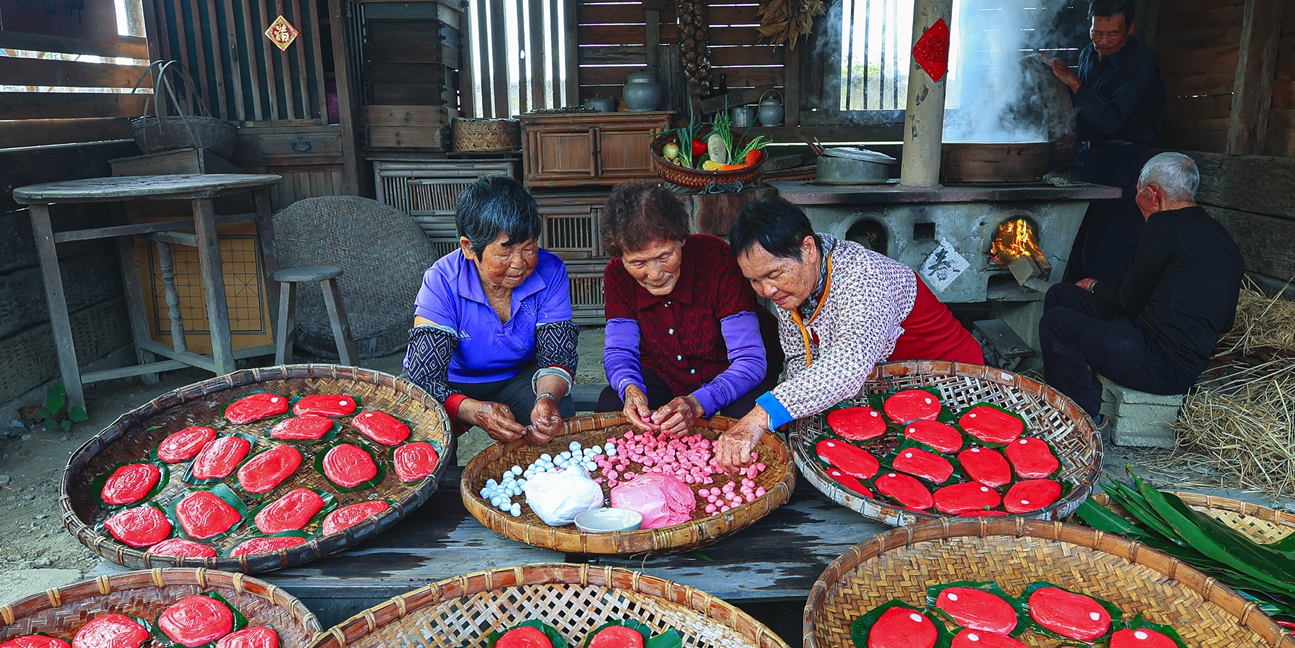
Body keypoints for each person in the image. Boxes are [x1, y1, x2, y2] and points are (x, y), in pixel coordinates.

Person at [713, 197, 986, 467]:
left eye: (774, 274)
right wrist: (791, 416)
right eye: (754, 280)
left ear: (808, 249)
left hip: (951, 384)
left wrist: (763, 415)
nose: (766, 291)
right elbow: (800, 357)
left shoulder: (865, 276)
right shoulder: (791, 289)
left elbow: (849, 365)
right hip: (887, 393)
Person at [1037, 152, 1243, 429]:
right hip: (1175, 355)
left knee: (1057, 324)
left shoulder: (1162, 225)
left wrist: (1095, 285)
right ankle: (1070, 387)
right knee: (1062, 295)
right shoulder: (1220, 234)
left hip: (1160, 363)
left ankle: (1084, 422)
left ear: (1153, 194)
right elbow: (1226, 321)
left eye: (1138, 195)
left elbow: (1128, 301)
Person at [403, 175, 577, 446]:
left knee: (554, 429)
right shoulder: (441, 280)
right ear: (469, 248)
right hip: (452, 383)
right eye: (504, 253)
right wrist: (474, 410)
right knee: (423, 433)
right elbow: (424, 377)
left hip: (519, 377)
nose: (520, 263)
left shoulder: (550, 270)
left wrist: (546, 398)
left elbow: (557, 355)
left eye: (529, 248)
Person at [595, 181, 772, 434]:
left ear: (681, 239)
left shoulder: (717, 259)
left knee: (745, 416)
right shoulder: (617, 275)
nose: (654, 274)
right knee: (612, 403)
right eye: (638, 262)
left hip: (729, 371)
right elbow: (620, 351)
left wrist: (699, 401)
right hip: (665, 371)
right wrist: (630, 387)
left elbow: (749, 360)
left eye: (664, 256)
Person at [1048, 0, 1167, 285]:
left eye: (1112, 34)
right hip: (1089, 158)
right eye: (1096, 32)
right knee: (1075, 240)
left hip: (1123, 162)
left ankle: (1103, 321)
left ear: (1131, 27)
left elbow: (1112, 120)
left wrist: (1075, 82)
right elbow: (1083, 110)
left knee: (1108, 249)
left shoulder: (1141, 64)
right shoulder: (1089, 54)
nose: (1102, 41)